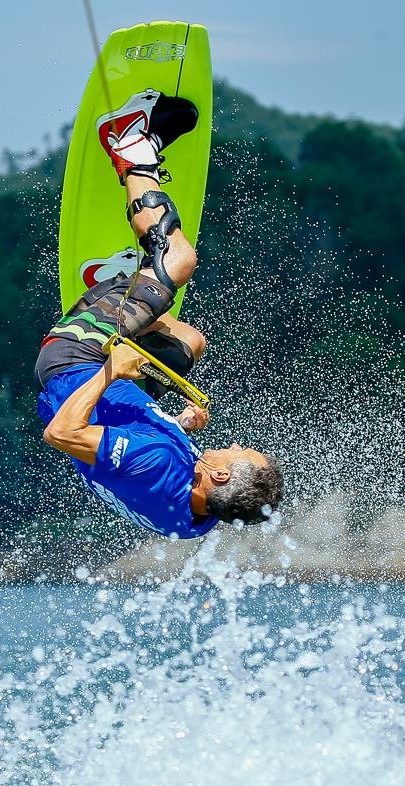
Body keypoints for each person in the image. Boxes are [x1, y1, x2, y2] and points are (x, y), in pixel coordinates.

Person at [34, 92, 283, 538]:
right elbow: (135, 473)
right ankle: (137, 288)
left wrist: (111, 372)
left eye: (240, 453)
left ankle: (131, 147)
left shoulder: (157, 463)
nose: (235, 445)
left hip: (75, 360)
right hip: (111, 399)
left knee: (181, 260)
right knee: (190, 343)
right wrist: (178, 425)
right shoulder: (198, 519)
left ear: (221, 476)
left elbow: (61, 435)